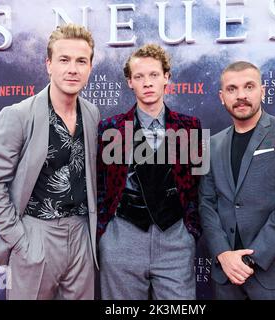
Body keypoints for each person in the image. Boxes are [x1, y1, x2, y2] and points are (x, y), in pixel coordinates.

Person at [0, 23, 99, 300]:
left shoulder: (92, 114)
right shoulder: (18, 115)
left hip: (82, 234)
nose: (73, 69)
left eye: (81, 61)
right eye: (64, 60)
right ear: (49, 64)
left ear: (90, 67)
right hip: (36, 233)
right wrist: (21, 241)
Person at [199, 61, 275, 300]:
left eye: (248, 87)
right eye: (232, 89)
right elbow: (206, 205)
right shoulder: (211, 145)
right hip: (226, 279)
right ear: (222, 97)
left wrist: (249, 259)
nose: (241, 96)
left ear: (262, 91)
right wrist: (223, 255)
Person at [97, 44, 202, 299]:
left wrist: (191, 232)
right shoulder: (110, 128)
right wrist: (106, 233)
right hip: (122, 239)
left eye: (154, 75)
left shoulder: (190, 127)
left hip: (175, 240)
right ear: (129, 82)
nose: (147, 82)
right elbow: (100, 186)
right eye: (139, 76)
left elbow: (198, 184)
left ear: (166, 77)